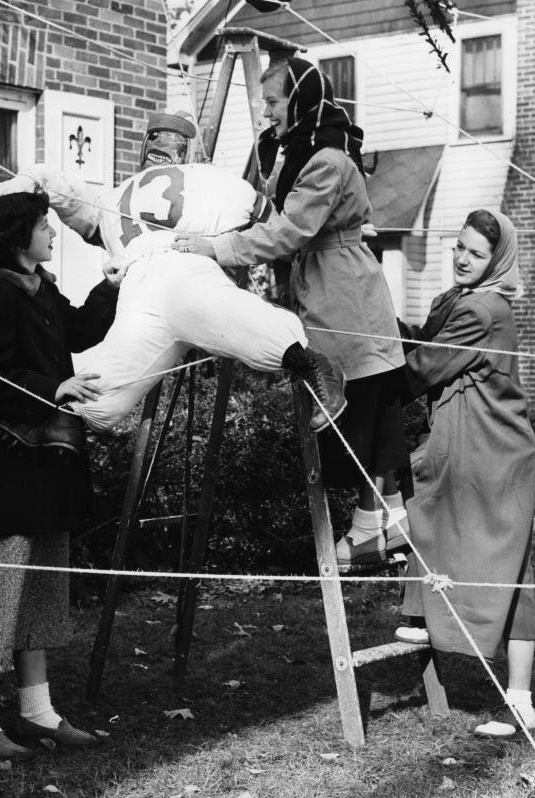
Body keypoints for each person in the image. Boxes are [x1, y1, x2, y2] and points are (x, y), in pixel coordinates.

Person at [173, 59, 410, 570]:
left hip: (343, 291)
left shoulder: (325, 161)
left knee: (360, 402)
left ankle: (375, 523)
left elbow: (288, 231)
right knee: (367, 402)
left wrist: (215, 249)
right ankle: (384, 518)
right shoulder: (308, 152)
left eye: (275, 103)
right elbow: (278, 215)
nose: (268, 113)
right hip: (328, 281)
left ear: (301, 103)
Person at [0, 110, 346, 438]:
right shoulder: (215, 178)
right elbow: (275, 224)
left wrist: (32, 177)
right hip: (181, 274)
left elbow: (67, 194)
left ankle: (50, 440)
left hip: (144, 286)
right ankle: (315, 367)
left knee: (96, 396)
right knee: (253, 326)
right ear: (187, 152)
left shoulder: (113, 196)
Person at [0, 191, 121, 760]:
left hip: (46, 465)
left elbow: (77, 332)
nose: (53, 233)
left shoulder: (40, 287)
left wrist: (110, 286)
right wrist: (54, 389)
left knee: (43, 587)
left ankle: (37, 712)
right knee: (1, 589)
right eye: (45, 226)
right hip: (5, 471)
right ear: (18, 237)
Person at [395, 208, 535, 739]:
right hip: (485, 446)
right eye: (458, 246)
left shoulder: (482, 309)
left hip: (493, 453)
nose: (462, 258)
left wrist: (368, 368)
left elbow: (421, 370)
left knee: (507, 568)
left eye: (476, 253)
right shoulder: (462, 302)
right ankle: (422, 616)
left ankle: (421, 614)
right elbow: (427, 345)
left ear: (496, 261)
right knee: (512, 569)